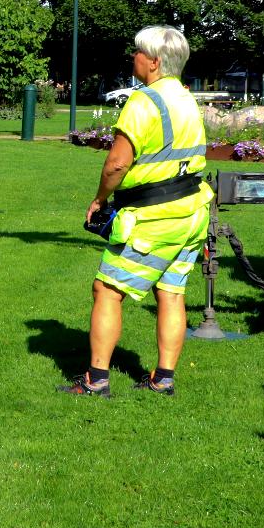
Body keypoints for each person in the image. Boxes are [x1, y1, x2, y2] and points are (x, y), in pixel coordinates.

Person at [62, 25, 212, 397]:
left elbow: (116, 164)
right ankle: (163, 379)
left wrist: (99, 199)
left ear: (154, 62)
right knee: (172, 291)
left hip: (154, 216)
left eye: (137, 52)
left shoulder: (143, 102)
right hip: (192, 210)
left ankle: (96, 380)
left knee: (107, 289)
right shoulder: (185, 98)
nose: (133, 58)